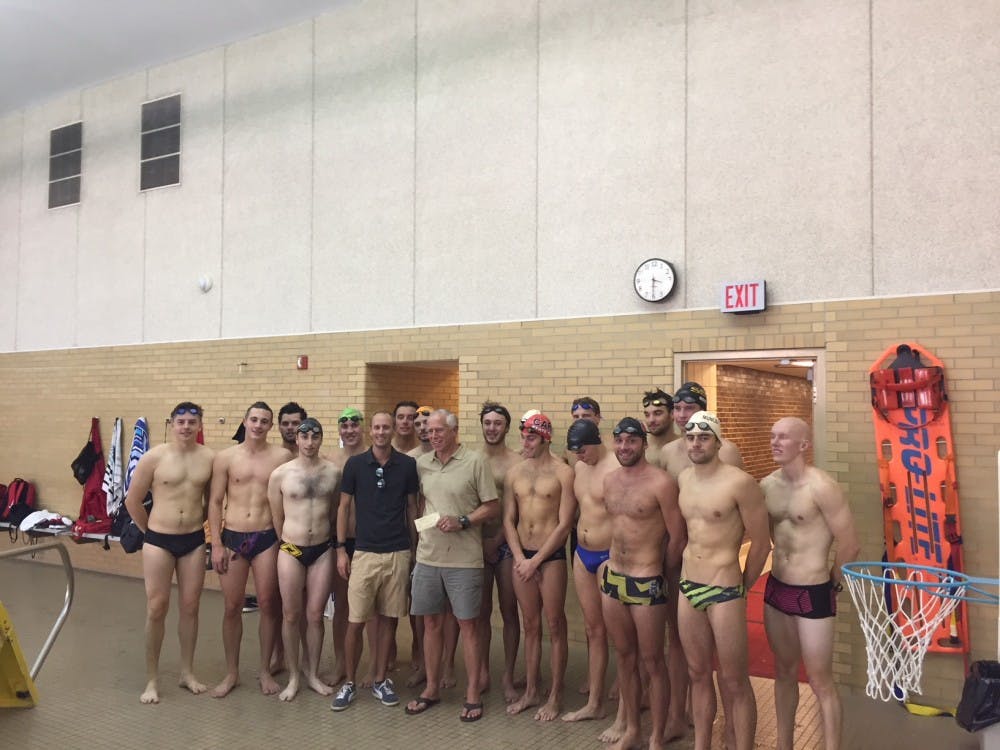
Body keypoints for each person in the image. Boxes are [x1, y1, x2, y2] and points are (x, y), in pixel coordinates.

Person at [762, 417, 859, 750]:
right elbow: (770, 534)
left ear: (803, 445)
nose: (775, 442)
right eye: (773, 436)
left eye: (784, 437)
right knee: (784, 672)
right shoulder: (767, 486)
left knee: (820, 681)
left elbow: (849, 544)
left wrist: (832, 581)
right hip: (777, 588)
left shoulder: (822, 486)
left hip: (813, 591)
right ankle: (783, 744)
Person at [676, 411, 770, 750]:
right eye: (691, 437)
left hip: (725, 588)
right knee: (697, 674)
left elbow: (761, 543)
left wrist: (743, 585)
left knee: (734, 681)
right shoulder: (684, 479)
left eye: (704, 437)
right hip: (688, 586)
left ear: (717, 442)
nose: (696, 443)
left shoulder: (739, 483)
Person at [406, 409, 499, 723]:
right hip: (428, 557)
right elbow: (419, 503)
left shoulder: (475, 462)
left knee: (468, 626)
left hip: (465, 560)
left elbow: (492, 506)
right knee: (430, 625)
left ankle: (472, 693)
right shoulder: (421, 464)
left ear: (454, 431)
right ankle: (431, 688)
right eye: (430, 432)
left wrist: (463, 521)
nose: (433, 436)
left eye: (438, 431)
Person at [599, 417, 686, 750]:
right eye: (619, 441)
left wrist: (660, 571)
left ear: (643, 444)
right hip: (613, 579)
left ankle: (656, 738)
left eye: (631, 441)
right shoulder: (609, 481)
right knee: (624, 656)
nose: (624, 447)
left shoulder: (661, 483)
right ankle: (632, 729)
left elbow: (677, 537)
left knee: (652, 662)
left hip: (647, 579)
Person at [123, 401, 215, 704]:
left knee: (190, 607)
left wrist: (198, 521)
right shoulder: (154, 457)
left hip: (192, 540)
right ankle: (151, 679)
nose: (186, 426)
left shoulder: (209, 459)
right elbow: (132, 500)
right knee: (156, 607)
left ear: (200, 424)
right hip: (158, 540)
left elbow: (211, 502)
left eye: (192, 421)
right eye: (181, 421)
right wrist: (150, 531)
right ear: (172, 424)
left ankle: (187, 672)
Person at [331, 412, 419, 711]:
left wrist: (415, 550)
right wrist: (341, 549)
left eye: (387, 427)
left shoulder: (407, 465)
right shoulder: (355, 465)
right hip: (364, 552)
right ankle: (350, 683)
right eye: (377, 427)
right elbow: (343, 508)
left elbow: (411, 508)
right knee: (356, 621)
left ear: (394, 430)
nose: (382, 432)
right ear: (371, 431)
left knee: (389, 620)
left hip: (397, 552)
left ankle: (381, 678)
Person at [207, 402, 292, 697]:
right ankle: (232, 672)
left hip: (267, 536)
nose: (258, 425)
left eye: (264, 421)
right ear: (244, 421)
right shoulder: (225, 458)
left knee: (269, 604)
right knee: (232, 607)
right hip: (232, 536)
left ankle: (265, 670)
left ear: (271, 426)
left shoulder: (282, 456)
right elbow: (215, 502)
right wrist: (215, 544)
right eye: (254, 419)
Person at [503, 413, 576, 721]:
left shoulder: (563, 473)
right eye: (523, 437)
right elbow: (509, 518)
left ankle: (555, 695)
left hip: (550, 557)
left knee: (555, 624)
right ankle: (532, 691)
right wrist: (520, 558)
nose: (525, 443)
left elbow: (565, 523)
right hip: (522, 555)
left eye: (530, 437)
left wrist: (536, 560)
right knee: (529, 625)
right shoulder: (514, 472)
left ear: (545, 438)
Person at [267, 418, 341, 701]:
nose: (310, 442)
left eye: (315, 436)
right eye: (304, 437)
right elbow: (277, 516)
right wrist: (286, 542)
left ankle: (311, 674)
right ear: (296, 439)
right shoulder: (280, 475)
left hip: (322, 548)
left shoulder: (333, 473)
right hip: (292, 549)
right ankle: (294, 676)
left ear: (321, 439)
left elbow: (335, 511)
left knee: (314, 615)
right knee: (290, 614)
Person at [559, 418, 619, 729]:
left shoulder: (616, 468)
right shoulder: (579, 468)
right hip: (582, 554)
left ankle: (626, 691)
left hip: (611, 556)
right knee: (593, 630)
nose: (579, 456)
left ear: (596, 440)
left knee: (620, 632)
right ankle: (594, 703)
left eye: (583, 450)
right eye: (575, 452)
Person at [477, 401, 523, 702]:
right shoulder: (471, 459)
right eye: (488, 423)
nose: (492, 428)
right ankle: (481, 671)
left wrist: (497, 542)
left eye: (498, 423)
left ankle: (508, 674)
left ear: (506, 427)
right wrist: (482, 543)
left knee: (508, 611)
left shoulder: (517, 462)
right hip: (476, 545)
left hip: (506, 545)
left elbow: (518, 509)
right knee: (480, 613)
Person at [325, 407, 367, 684]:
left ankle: (376, 664)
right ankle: (341, 662)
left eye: (354, 425)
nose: (350, 430)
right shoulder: (329, 461)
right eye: (345, 426)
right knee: (341, 606)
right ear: (339, 429)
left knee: (370, 610)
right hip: (338, 541)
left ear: (361, 428)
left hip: (368, 542)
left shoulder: (373, 458)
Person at [660, 382, 743, 475]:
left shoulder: (727, 451)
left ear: (702, 411)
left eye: (689, 408)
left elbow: (740, 488)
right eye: (677, 408)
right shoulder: (667, 451)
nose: (681, 415)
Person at [642, 388, 676, 467]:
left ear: (672, 414)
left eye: (657, 413)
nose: (651, 420)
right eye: (647, 415)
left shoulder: (684, 446)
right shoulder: (640, 447)